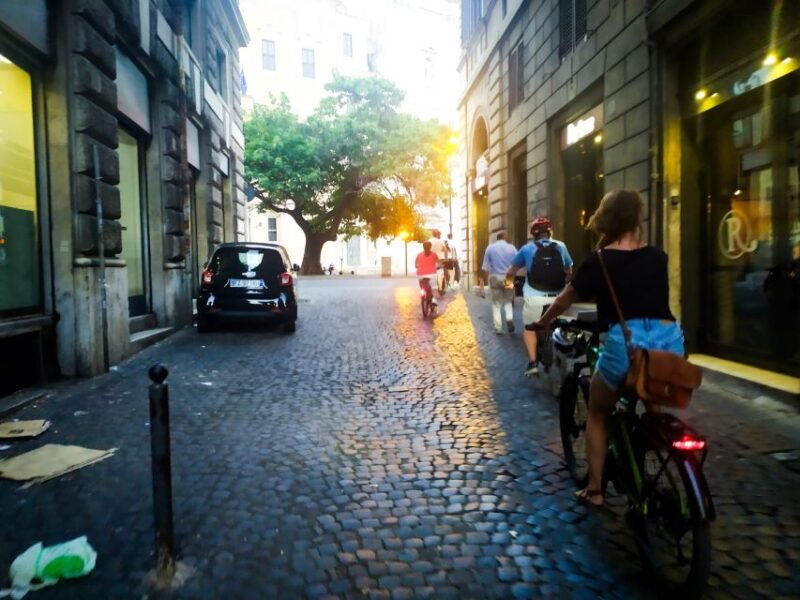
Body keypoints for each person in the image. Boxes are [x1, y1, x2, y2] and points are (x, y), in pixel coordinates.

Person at [532, 189, 685, 507]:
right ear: (637, 218)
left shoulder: (599, 262)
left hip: (627, 347)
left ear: (606, 219)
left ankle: (596, 490)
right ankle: (651, 438)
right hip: (671, 342)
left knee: (599, 412)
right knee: (650, 397)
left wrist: (544, 322)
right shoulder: (658, 255)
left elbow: (564, 300)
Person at [505, 217, 573, 377]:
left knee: (529, 328)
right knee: (563, 325)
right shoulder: (561, 246)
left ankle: (532, 363)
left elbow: (511, 271)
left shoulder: (527, 249)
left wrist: (508, 284)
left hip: (535, 297)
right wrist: (564, 285)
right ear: (550, 232)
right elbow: (569, 270)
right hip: (558, 298)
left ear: (533, 234)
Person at [482, 232, 518, 334]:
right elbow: (517, 262)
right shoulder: (512, 247)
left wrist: (486, 279)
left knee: (496, 303)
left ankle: (498, 328)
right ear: (504, 237)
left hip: (494, 276)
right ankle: (509, 318)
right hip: (508, 277)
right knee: (508, 299)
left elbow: (485, 266)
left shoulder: (490, 248)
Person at [415, 241, 440, 307]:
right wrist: (440, 266)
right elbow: (439, 263)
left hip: (421, 275)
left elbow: (416, 263)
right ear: (430, 247)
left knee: (421, 283)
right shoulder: (434, 254)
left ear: (423, 247)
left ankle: (423, 290)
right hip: (432, 274)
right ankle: (434, 299)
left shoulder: (419, 255)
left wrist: (417, 266)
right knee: (434, 287)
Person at [428, 229, 448, 294]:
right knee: (441, 274)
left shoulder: (429, 241)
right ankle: (441, 289)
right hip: (439, 260)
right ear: (438, 234)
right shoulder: (440, 241)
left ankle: (429, 288)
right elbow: (445, 250)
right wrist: (446, 259)